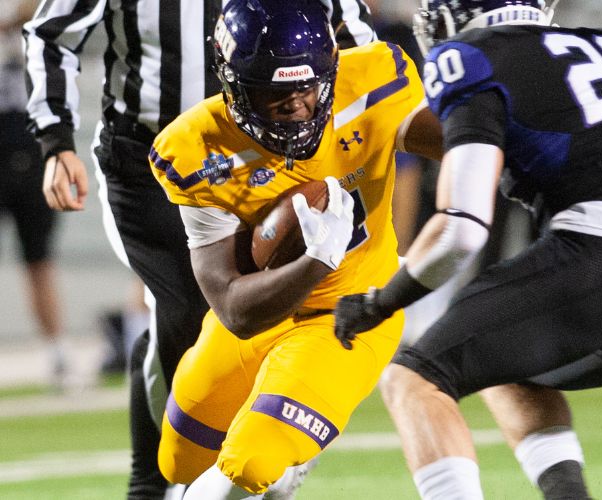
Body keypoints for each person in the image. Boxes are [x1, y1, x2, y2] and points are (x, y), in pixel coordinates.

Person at [333, 1, 602, 499]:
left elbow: (462, 227)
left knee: (414, 378)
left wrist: (381, 302)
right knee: (500, 362)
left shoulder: (468, 56)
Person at [23, 0, 376, 497]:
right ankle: (159, 481)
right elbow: (50, 32)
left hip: (273, 160)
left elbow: (357, 43)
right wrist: (56, 139)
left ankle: (262, 447)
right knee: (192, 307)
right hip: (148, 163)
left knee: (279, 306)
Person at [149, 0, 442, 498]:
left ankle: (283, 449)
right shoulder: (197, 148)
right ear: (233, 83)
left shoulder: (372, 81)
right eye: (274, 92)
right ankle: (286, 453)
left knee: (251, 462)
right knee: (179, 460)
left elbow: (464, 143)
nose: (296, 105)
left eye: (307, 87)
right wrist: (313, 262)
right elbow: (233, 309)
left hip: (352, 312)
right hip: (262, 310)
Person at [1, 0, 68, 391]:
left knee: (39, 261)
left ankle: (57, 352)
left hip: (27, 150)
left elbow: (41, 10)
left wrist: (11, 21)